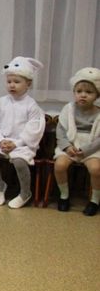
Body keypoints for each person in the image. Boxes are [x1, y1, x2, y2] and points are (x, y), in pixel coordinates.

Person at [0, 56, 46, 208]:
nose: (12, 85)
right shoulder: (3, 101)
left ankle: (25, 193)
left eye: (17, 82)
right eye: (9, 81)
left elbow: (32, 130)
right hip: (2, 141)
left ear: (28, 83)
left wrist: (15, 143)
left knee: (19, 161)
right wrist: (0, 140)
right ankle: (0, 186)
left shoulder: (31, 105)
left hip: (22, 144)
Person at [53, 67, 100, 215]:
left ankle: (95, 200)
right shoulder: (68, 109)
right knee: (60, 165)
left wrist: (86, 150)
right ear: (74, 93)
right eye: (79, 91)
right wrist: (66, 147)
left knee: (96, 169)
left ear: (97, 95)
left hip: (91, 146)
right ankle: (64, 196)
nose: (83, 95)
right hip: (70, 143)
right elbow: (60, 131)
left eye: (89, 92)